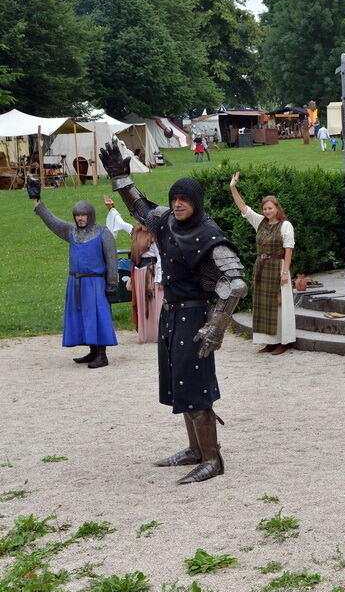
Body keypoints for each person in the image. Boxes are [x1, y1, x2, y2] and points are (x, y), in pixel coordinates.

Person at [99, 142, 247, 484]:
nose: (178, 204)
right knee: (179, 383)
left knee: (195, 386)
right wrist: (121, 177)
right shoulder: (166, 221)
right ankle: (195, 450)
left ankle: (212, 458)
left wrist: (216, 327)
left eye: (185, 200)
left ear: (196, 203)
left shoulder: (208, 234)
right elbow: (140, 208)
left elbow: (235, 284)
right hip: (171, 313)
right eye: (175, 198)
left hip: (195, 317)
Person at [28, 179, 118, 368]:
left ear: (90, 215)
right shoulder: (71, 231)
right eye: (77, 215)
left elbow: (111, 260)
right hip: (76, 283)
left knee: (97, 316)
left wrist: (112, 283)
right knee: (84, 317)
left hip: (95, 283)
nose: (80, 219)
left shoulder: (104, 233)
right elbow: (52, 221)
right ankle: (93, 352)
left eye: (83, 215)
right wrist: (36, 200)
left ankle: (102, 355)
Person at [229, 172, 295, 355]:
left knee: (279, 305)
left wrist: (285, 273)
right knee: (263, 307)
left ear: (277, 209)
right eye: (265, 209)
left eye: (270, 208)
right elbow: (244, 208)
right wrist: (233, 187)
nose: (267, 211)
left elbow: (288, 249)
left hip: (278, 267)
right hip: (262, 268)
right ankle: (268, 342)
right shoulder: (260, 222)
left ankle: (283, 341)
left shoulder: (285, 226)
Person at [103, 195, 163, 344]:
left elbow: (160, 257)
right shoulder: (136, 232)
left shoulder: (155, 236)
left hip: (152, 273)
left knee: (154, 305)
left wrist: (159, 278)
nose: (136, 220)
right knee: (143, 305)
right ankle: (146, 334)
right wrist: (112, 208)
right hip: (139, 273)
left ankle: (156, 334)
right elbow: (121, 224)